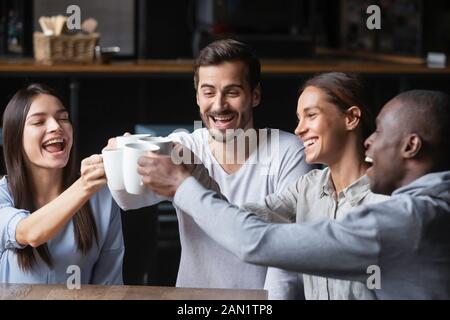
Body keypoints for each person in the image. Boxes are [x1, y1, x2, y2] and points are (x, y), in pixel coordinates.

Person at [140, 89, 450, 299]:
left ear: (411, 146)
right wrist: (198, 179)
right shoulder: (311, 186)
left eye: (379, 131)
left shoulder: (406, 219)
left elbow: (256, 242)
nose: (370, 141)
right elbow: (244, 220)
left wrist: (181, 187)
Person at [107, 39, 313, 290]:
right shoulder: (182, 147)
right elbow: (129, 199)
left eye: (232, 92)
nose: (219, 105)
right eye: (209, 92)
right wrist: (118, 156)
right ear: (197, 97)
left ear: (255, 95)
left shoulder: (288, 152)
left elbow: (287, 257)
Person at [0, 84, 124, 284]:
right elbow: (29, 232)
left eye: (63, 118)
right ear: (16, 138)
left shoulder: (103, 197)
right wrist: (84, 186)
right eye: (39, 121)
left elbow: (110, 284)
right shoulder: (3, 196)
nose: (56, 127)